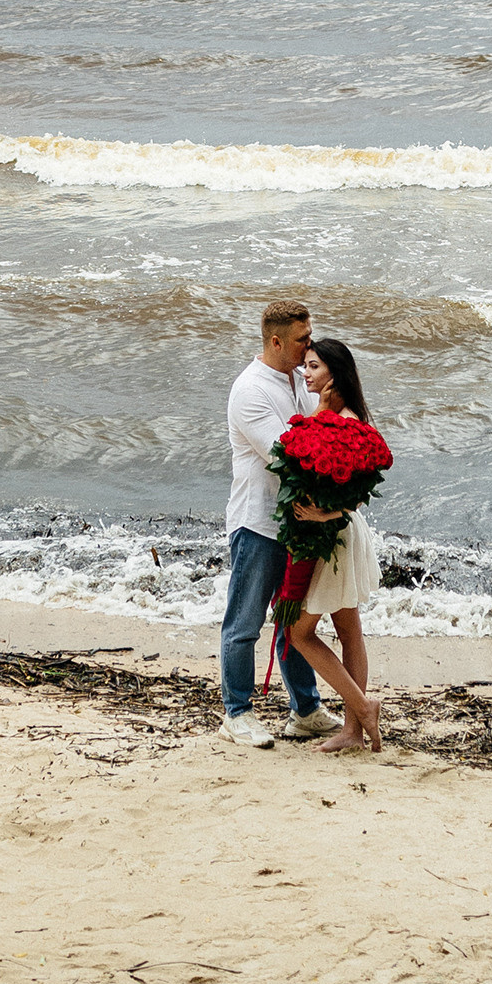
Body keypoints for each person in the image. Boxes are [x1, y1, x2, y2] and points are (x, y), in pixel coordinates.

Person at [220, 295, 329, 746]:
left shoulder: (299, 380)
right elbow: (288, 455)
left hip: (297, 521)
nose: (310, 348)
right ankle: (237, 713)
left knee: (292, 621)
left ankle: (304, 710)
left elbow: (321, 430)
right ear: (277, 341)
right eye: (303, 340)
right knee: (244, 623)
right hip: (258, 523)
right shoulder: (250, 390)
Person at [278, 331, 384, 753]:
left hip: (335, 535)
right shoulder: (326, 414)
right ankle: (353, 731)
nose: (306, 372)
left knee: (298, 631)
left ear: (335, 374)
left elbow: (358, 492)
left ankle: (361, 707)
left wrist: (325, 513)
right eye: (305, 365)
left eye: (315, 366)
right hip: (336, 532)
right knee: (347, 628)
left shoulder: (350, 424)